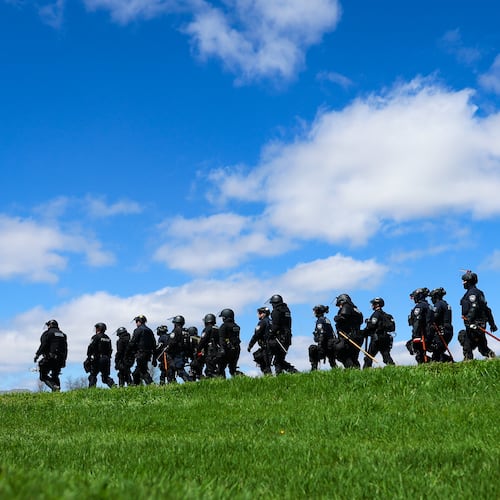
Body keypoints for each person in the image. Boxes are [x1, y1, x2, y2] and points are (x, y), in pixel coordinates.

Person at [459, 271, 497, 360]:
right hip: (479, 324)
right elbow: (487, 309)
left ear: (468, 281)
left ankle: (468, 363)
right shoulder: (480, 293)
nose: (462, 283)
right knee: (482, 348)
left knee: (466, 343)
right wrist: (492, 324)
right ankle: (494, 358)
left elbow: (474, 306)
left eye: (464, 281)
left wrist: (469, 320)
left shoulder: (472, 293)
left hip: (474, 324)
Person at [267, 294, 298, 375]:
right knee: (279, 359)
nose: (272, 305)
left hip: (280, 337)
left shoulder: (276, 311)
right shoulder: (286, 310)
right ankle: (283, 375)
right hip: (287, 336)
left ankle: (293, 372)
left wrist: (270, 334)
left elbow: (276, 325)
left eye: (272, 303)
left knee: (278, 360)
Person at [34, 319, 68, 392]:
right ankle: (57, 392)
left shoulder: (47, 334)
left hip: (50, 358)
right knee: (55, 375)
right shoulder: (63, 335)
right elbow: (65, 348)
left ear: (50, 325)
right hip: (60, 359)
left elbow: (43, 345)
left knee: (43, 376)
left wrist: (37, 355)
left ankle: (54, 386)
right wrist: (64, 360)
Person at [362, 297, 395, 369]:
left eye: (373, 304)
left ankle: (365, 370)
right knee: (386, 355)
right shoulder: (386, 315)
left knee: (369, 356)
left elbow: (372, 325)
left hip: (377, 338)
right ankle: (392, 367)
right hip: (386, 338)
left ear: (377, 305)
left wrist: (365, 329)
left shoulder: (376, 314)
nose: (372, 305)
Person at [333, 294, 364, 368]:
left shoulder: (346, 306)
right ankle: (357, 372)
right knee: (353, 357)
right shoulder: (356, 310)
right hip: (357, 336)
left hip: (348, 336)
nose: (339, 306)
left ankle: (351, 370)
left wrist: (336, 318)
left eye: (339, 304)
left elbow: (343, 317)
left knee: (342, 354)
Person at [406, 288, 433, 364]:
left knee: (418, 352)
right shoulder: (429, 306)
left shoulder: (420, 306)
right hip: (430, 332)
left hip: (422, 333)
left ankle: (428, 364)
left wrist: (415, 335)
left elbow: (418, 321)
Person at [128, 315, 156, 385]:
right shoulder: (149, 331)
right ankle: (134, 386)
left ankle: (151, 384)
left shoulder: (138, 330)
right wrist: (154, 357)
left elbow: (133, 342)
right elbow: (154, 343)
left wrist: (128, 351)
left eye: (136, 322)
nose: (136, 323)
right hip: (148, 354)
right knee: (136, 372)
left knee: (143, 371)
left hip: (140, 353)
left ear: (139, 321)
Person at [85, 322, 115, 388]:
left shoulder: (95, 337)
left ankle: (91, 391)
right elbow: (110, 350)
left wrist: (89, 357)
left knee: (92, 376)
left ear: (98, 329)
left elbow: (90, 347)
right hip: (106, 359)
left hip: (98, 359)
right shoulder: (108, 338)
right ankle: (114, 386)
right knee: (105, 377)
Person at [429, 288, 454, 362]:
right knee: (439, 352)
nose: (431, 299)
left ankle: (449, 362)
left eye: (432, 297)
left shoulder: (438, 304)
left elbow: (434, 317)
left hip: (441, 330)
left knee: (437, 352)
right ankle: (449, 362)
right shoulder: (446, 304)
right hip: (448, 329)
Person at [308, 305, 336, 371]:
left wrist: (320, 347)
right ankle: (336, 370)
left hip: (325, 345)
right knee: (332, 362)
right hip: (331, 345)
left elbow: (321, 334)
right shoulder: (327, 320)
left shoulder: (320, 321)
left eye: (315, 311)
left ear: (318, 311)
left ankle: (314, 369)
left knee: (312, 349)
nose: (314, 313)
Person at [165, 315, 192, 383]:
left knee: (179, 370)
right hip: (183, 353)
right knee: (172, 370)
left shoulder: (176, 331)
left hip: (176, 354)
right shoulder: (186, 332)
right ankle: (172, 383)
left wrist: (167, 349)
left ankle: (189, 381)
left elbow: (172, 342)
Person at [218, 308, 244, 377]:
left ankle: (221, 383)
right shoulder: (236, 326)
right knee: (232, 369)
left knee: (220, 369)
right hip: (236, 349)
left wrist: (222, 349)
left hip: (227, 350)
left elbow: (222, 339)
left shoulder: (223, 326)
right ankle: (242, 378)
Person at [248, 307, 273, 375]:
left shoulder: (262, 322)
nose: (258, 315)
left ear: (264, 314)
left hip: (266, 346)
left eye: (259, 313)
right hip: (273, 345)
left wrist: (250, 345)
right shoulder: (272, 321)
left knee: (265, 364)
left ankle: (269, 379)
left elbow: (256, 335)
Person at [197, 313, 221, 378]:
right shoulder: (218, 329)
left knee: (210, 371)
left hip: (210, 351)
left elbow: (203, 340)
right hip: (219, 351)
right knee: (217, 368)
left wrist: (198, 350)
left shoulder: (207, 329)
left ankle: (218, 379)